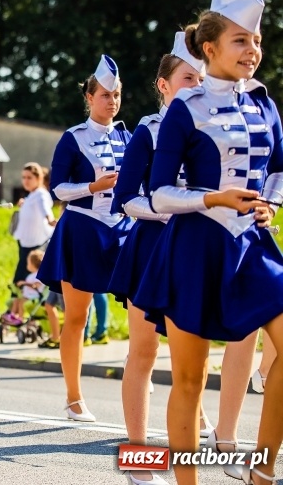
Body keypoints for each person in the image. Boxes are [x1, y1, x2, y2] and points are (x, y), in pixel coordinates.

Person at [133, 0, 283, 485]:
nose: (253, 50)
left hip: (251, 245)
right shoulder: (186, 108)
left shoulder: (264, 104)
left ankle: (262, 472)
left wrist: (270, 204)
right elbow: (158, 194)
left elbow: (279, 170)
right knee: (190, 380)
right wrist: (212, 198)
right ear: (210, 47)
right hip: (194, 250)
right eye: (241, 40)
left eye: (257, 40)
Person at [110, 31, 206, 485]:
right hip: (152, 248)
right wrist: (167, 210)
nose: (196, 85)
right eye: (188, 78)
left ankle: (201, 436)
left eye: (201, 78)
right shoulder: (148, 130)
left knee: (193, 353)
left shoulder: (210, 128)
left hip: (198, 247)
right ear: (164, 85)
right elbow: (125, 197)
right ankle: (139, 460)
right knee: (144, 352)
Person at [36, 54, 133, 423]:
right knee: (77, 316)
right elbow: (58, 189)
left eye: (117, 94)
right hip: (82, 229)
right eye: (105, 95)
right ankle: (74, 397)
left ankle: (138, 371)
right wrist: (93, 186)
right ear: (90, 98)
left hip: (122, 230)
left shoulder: (128, 136)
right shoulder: (73, 138)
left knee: (144, 309)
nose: (112, 101)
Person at [12, 162, 56, 285]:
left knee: (24, 280)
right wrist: (24, 203)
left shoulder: (41, 194)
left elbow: (45, 208)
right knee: (21, 279)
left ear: (39, 178)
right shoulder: (32, 195)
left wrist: (50, 219)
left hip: (35, 245)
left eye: (29, 177)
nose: (25, 181)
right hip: (25, 244)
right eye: (23, 177)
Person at [7, 249, 45, 325]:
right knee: (16, 300)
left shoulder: (39, 275)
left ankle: (20, 318)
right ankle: (12, 316)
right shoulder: (31, 275)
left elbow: (36, 285)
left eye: (28, 263)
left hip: (34, 296)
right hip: (28, 295)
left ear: (33, 264)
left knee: (22, 302)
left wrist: (24, 283)